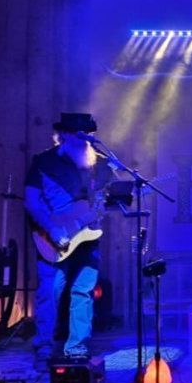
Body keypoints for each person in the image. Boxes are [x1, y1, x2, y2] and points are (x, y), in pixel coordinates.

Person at [25, 113, 115, 366]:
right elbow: (32, 202)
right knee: (50, 291)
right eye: (80, 134)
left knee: (83, 292)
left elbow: (105, 200)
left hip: (88, 238)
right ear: (64, 134)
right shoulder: (44, 162)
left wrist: (102, 209)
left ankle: (77, 347)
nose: (86, 139)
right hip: (52, 238)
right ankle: (44, 347)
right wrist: (52, 229)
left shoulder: (101, 165)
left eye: (89, 134)